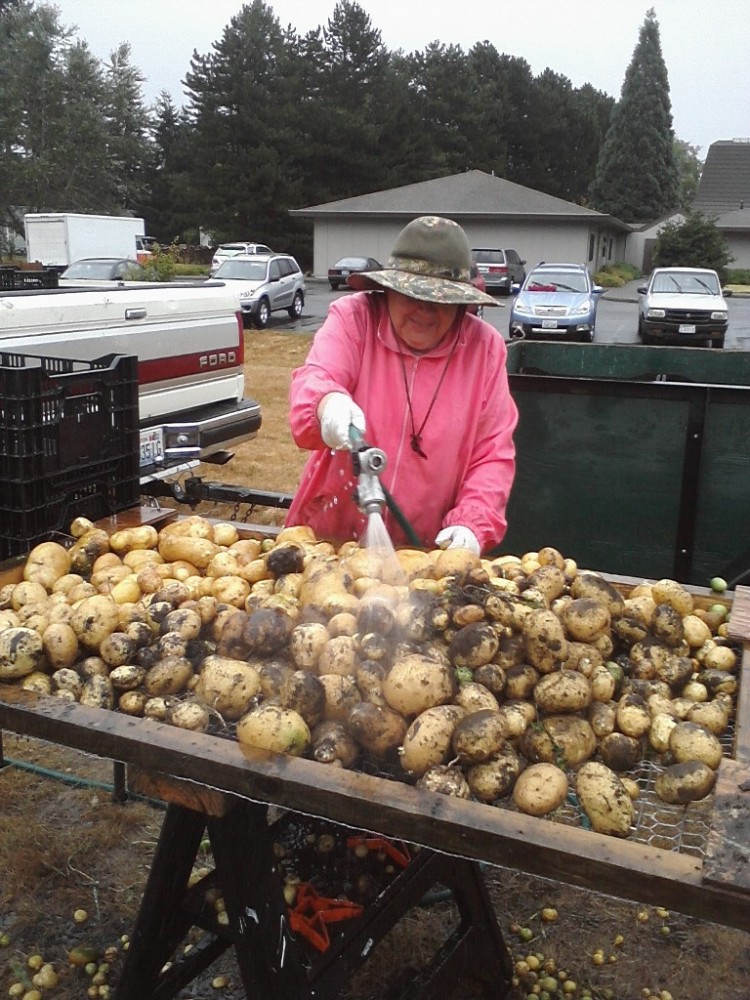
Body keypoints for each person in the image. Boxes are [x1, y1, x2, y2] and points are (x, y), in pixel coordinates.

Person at [285, 215, 518, 556]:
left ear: (461, 303)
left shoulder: (484, 350)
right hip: (329, 542)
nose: (424, 309)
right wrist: (327, 404)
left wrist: (472, 522)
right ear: (389, 290)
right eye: (411, 295)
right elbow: (316, 379)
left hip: (423, 553)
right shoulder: (355, 319)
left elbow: (492, 454)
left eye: (440, 300)